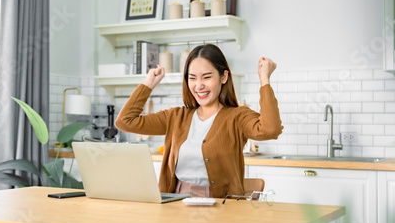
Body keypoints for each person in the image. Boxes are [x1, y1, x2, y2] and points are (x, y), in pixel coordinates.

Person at [115, 44, 283, 198]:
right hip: (176, 202)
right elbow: (125, 121)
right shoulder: (176, 116)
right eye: (192, 78)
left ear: (224, 77)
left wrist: (264, 79)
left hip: (222, 207)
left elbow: (270, 129)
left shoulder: (237, 116)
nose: (198, 85)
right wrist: (149, 83)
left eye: (206, 77)